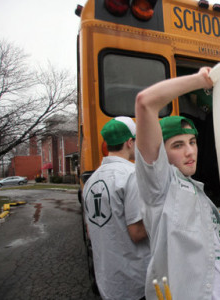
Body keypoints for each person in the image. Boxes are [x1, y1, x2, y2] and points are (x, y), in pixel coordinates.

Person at [134, 67, 220, 300]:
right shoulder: (160, 186)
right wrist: (199, 80)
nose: (190, 151)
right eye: (178, 145)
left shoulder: (197, 190)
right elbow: (145, 102)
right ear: (162, 153)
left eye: (192, 142)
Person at [83, 117, 150, 300]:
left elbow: (91, 230)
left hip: (107, 282)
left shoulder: (90, 181)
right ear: (129, 142)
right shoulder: (131, 175)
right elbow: (136, 232)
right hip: (135, 282)